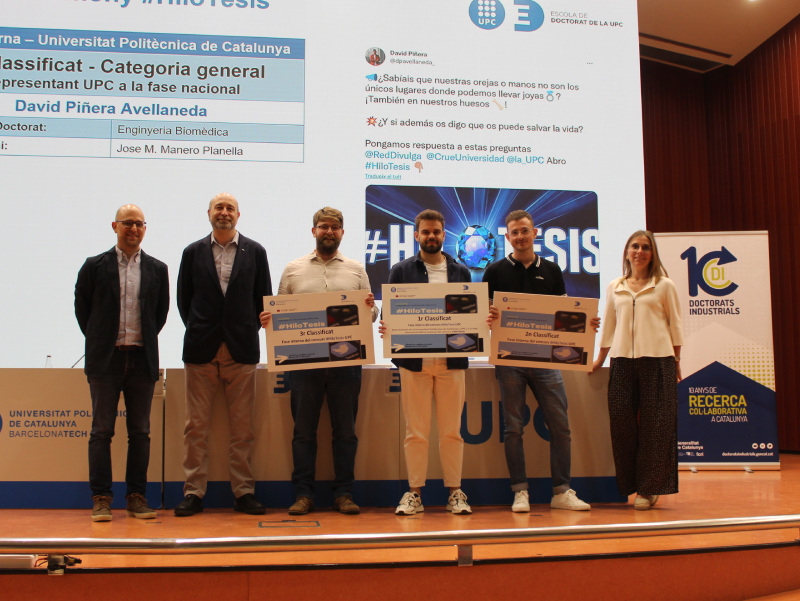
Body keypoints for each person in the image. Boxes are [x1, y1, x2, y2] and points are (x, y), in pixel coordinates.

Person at [260, 207, 377, 515]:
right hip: (304, 363)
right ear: (314, 231)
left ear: (342, 233)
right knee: (303, 432)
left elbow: (371, 314)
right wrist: (269, 319)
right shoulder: (293, 269)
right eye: (323, 226)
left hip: (346, 362)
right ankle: (303, 494)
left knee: (345, 433)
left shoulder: (356, 270)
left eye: (334, 227)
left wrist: (370, 308)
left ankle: (344, 494)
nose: (329, 232)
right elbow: (279, 309)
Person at [483, 210, 596, 513]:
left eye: (524, 230)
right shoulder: (494, 271)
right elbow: (483, 318)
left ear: (535, 233)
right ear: (507, 237)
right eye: (514, 232)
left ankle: (561, 491)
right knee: (513, 428)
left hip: (547, 360)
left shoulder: (552, 269)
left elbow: (564, 315)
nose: (520, 236)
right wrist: (488, 316)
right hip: (509, 359)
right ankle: (520, 491)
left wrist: (585, 323)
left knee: (560, 426)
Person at [175, 193, 272, 516]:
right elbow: (184, 300)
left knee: (242, 430)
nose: (224, 212)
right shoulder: (192, 252)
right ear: (209, 213)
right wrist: (203, 329)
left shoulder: (256, 252)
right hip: (200, 350)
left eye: (230, 208)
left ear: (238, 215)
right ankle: (193, 492)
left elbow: (263, 300)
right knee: (195, 428)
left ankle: (243, 492)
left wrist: (242, 330)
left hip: (241, 350)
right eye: (219, 207)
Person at [75, 204, 169, 522]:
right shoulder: (93, 266)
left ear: (145, 229)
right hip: (106, 360)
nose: (134, 228)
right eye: (128, 223)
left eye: (139, 223)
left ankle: (136, 498)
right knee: (101, 431)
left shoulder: (158, 269)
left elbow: (159, 315)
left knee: (140, 432)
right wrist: (101, 340)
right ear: (114, 226)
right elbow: (83, 311)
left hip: (142, 359)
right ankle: (101, 498)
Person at [383, 210, 473, 515]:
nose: (431, 236)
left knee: (452, 431)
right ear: (416, 235)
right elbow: (390, 315)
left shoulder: (461, 272)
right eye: (425, 232)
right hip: (413, 361)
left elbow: (470, 314)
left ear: (444, 235)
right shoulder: (400, 270)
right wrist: (387, 328)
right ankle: (414, 494)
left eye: (436, 232)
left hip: (452, 360)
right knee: (415, 431)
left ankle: (455, 493)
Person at [592, 230, 683, 510]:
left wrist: (677, 361)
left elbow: (675, 325)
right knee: (622, 426)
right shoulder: (615, 286)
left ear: (652, 254)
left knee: (656, 428)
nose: (640, 251)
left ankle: (649, 488)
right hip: (621, 362)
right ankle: (631, 484)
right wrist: (599, 359)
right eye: (635, 246)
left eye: (645, 247)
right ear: (627, 252)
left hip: (658, 361)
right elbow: (608, 326)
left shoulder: (664, 285)